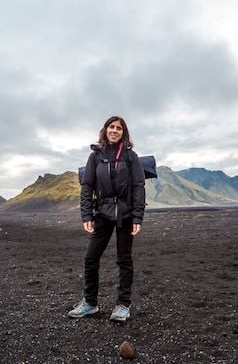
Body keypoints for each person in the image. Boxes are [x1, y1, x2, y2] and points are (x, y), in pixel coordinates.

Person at [68, 116, 146, 322]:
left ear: (124, 133)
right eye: (111, 126)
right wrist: (86, 214)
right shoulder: (95, 156)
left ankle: (122, 306)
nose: (115, 130)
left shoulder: (131, 157)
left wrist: (138, 216)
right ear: (105, 130)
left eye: (119, 128)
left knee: (124, 259)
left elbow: (139, 186)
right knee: (90, 258)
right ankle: (90, 303)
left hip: (126, 215)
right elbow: (87, 187)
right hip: (102, 213)